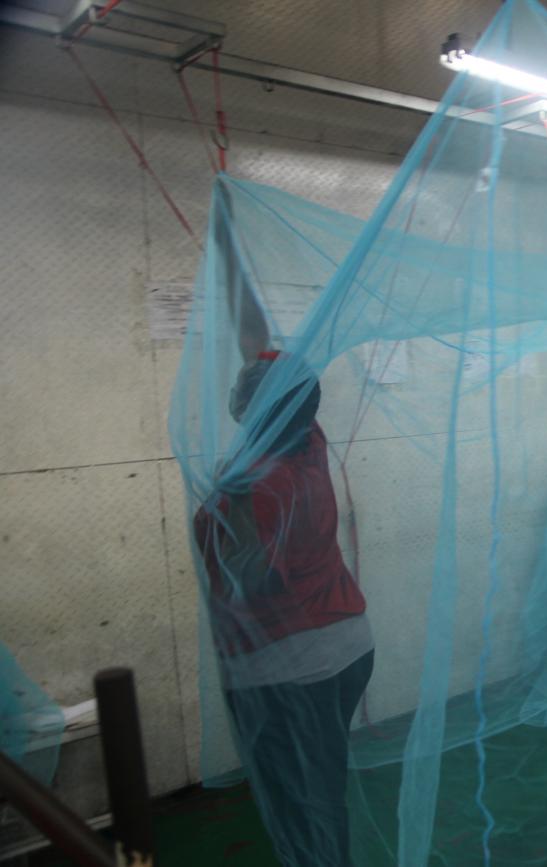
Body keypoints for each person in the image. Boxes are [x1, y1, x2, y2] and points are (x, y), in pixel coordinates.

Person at [192, 200, 372, 867]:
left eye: (249, 382)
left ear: (255, 406)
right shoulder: (304, 434)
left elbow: (253, 580)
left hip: (292, 664)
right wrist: (226, 242)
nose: (243, 375)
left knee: (304, 796)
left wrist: (230, 503)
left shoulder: (259, 481)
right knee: (316, 788)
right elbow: (252, 330)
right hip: (342, 642)